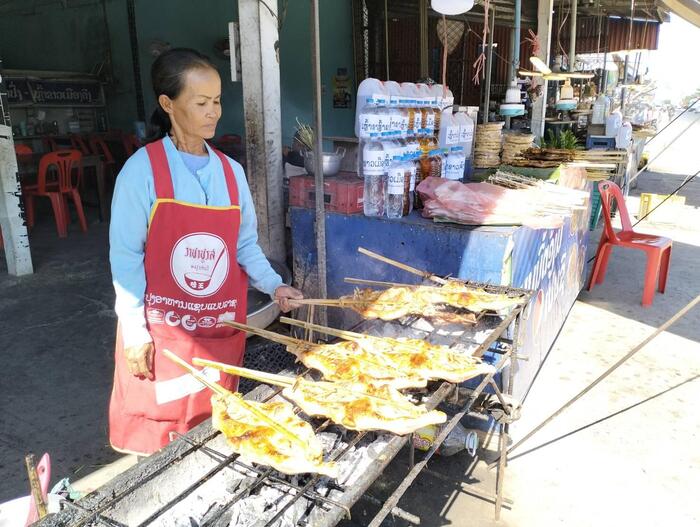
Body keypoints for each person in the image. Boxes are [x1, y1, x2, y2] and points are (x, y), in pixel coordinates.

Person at [108, 48, 303, 455]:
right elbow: (125, 258)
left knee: (216, 428)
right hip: (164, 334)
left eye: (216, 101)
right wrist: (134, 332)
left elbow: (244, 243)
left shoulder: (231, 173)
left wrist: (274, 285)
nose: (213, 112)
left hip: (217, 331)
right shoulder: (142, 171)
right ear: (168, 103)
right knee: (161, 442)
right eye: (201, 103)